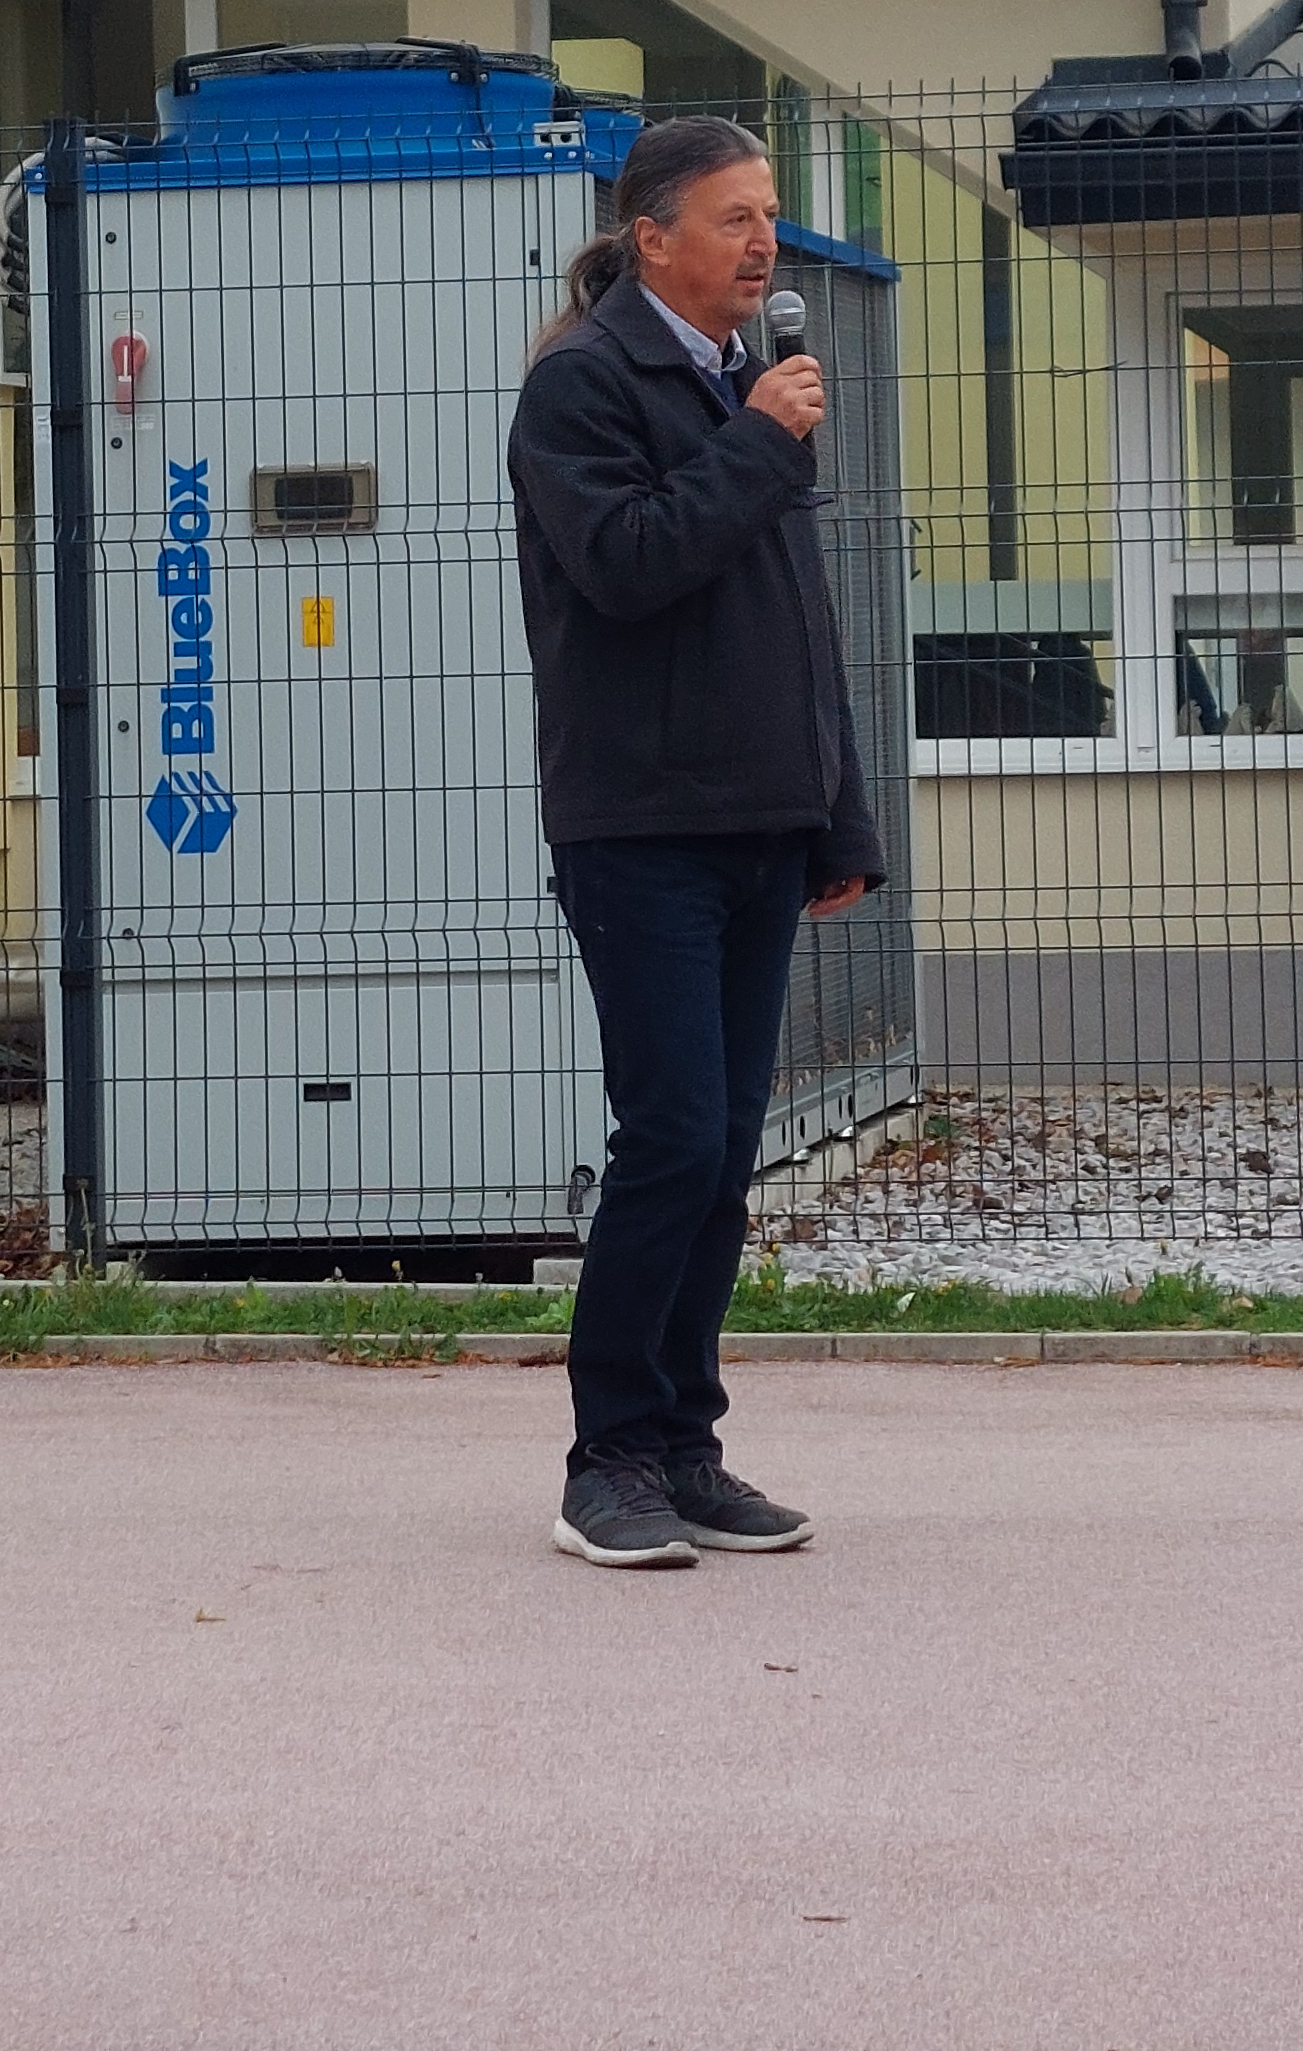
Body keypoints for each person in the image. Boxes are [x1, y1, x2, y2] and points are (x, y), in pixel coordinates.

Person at [506, 113, 880, 1571]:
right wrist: (758, 441)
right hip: (641, 823)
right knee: (668, 1137)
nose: (764, 242)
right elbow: (627, 565)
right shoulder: (583, 384)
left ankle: (684, 1448)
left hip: (756, 821)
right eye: (735, 217)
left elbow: (797, 628)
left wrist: (836, 816)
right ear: (652, 237)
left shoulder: (740, 381)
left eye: (769, 215)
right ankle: (605, 1461)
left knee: (723, 1149)